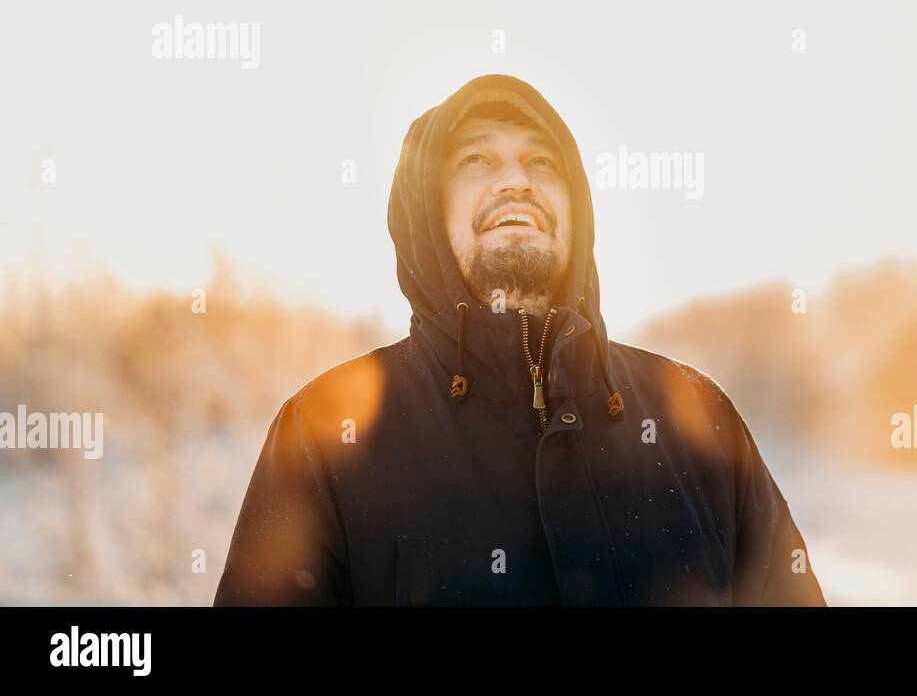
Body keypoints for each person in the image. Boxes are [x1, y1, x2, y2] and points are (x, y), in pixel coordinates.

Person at [213, 73, 826, 606]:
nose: (516, 182)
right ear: (425, 214)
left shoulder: (699, 421)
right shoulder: (323, 438)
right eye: (475, 161)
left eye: (542, 163)